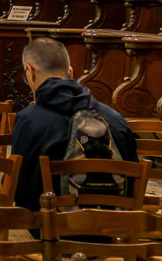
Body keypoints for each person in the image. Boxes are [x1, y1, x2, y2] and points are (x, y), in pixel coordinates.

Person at [8, 36, 136, 208]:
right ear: (70, 72)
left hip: (50, 225)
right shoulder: (116, 118)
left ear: (29, 72)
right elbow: (133, 186)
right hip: (112, 227)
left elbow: (21, 193)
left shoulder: (29, 119)